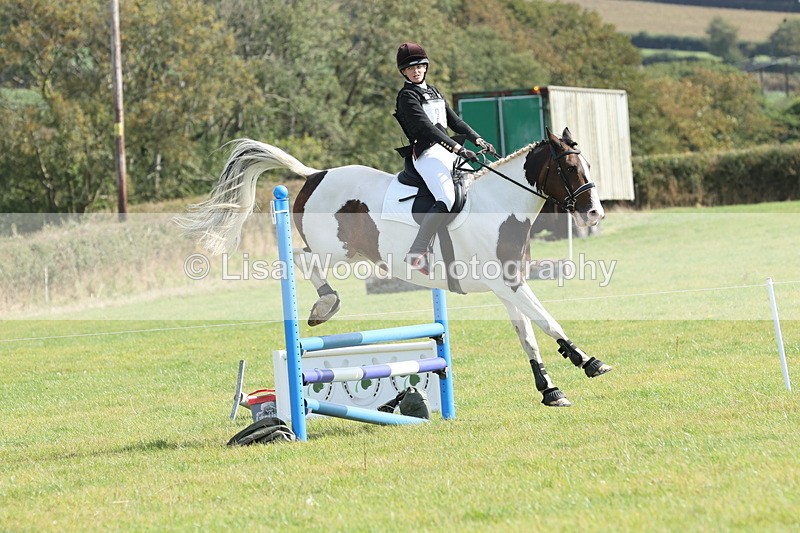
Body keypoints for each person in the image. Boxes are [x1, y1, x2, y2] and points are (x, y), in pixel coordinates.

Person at [393, 42, 495, 274]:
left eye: (419, 66)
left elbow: (454, 122)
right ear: (404, 72)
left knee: (477, 183)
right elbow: (428, 128)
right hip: (427, 152)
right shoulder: (407, 96)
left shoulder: (434, 91)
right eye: (410, 69)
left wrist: (478, 139)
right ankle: (417, 251)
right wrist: (458, 149)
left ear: (425, 67)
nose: (416, 71)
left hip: (446, 150)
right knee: (447, 198)